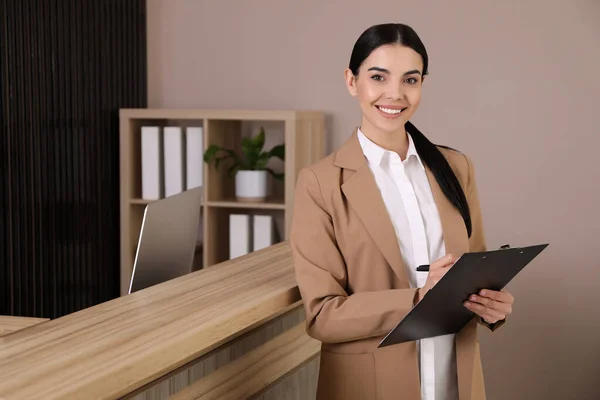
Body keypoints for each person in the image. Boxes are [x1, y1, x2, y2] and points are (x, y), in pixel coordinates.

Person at [289, 23, 515, 400]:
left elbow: (476, 274)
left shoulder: (457, 168)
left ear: (422, 84)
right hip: (372, 385)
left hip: (455, 380)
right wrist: (416, 299)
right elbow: (322, 315)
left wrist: (492, 307)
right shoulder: (319, 183)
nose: (395, 94)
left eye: (410, 79)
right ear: (351, 81)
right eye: (378, 77)